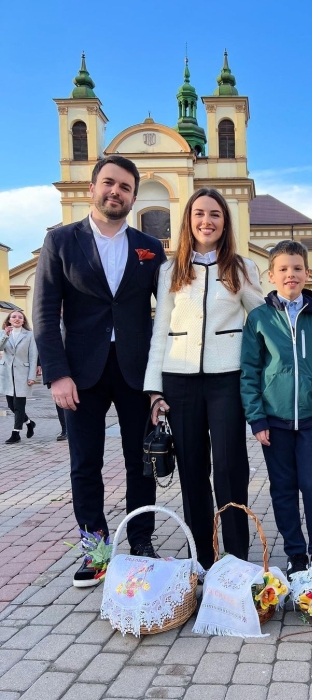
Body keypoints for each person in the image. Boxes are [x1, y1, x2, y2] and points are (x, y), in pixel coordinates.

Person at [33, 155, 166, 587]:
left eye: (125, 187)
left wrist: (158, 382)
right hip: (79, 374)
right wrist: (56, 373)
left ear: (132, 196)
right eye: (109, 183)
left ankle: (141, 540)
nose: (116, 192)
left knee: (141, 462)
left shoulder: (150, 246)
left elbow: (163, 316)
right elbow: (45, 310)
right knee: (84, 464)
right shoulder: (60, 241)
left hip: (135, 371)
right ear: (92, 188)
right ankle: (96, 550)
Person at [143, 188, 264, 570]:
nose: (206, 221)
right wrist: (154, 389)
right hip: (178, 380)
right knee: (192, 470)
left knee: (230, 467)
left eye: (215, 214)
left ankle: (239, 558)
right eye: (199, 213)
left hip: (227, 378)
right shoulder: (169, 269)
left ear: (225, 222)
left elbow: (260, 322)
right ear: (188, 220)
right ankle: (204, 558)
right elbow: (160, 327)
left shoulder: (242, 268)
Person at [240, 240, 312, 579]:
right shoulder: (259, 318)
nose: (291, 274)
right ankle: (296, 554)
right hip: (275, 420)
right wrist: (256, 417)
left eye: (298, 268)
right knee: (283, 488)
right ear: (271, 276)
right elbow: (249, 371)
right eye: (283, 269)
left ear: (307, 274)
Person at [0, 310, 38, 444]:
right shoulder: (3, 333)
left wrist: (31, 376)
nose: (17, 319)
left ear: (23, 321)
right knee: (11, 405)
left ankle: (15, 434)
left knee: (19, 405)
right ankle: (29, 423)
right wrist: (5, 335)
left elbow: (33, 357)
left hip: (22, 374)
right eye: (14, 317)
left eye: (20, 317)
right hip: (7, 374)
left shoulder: (29, 335)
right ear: (9, 320)